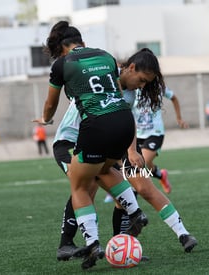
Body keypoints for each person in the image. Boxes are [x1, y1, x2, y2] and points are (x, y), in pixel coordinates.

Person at [53, 48, 197, 263]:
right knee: (87, 186)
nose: (142, 86)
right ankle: (71, 243)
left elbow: (125, 118)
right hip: (76, 141)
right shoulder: (105, 76)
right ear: (130, 68)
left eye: (146, 83)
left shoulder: (130, 92)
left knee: (143, 186)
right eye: (141, 80)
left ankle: (181, 233)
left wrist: (131, 150)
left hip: (115, 140)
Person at [33, 21, 148, 270]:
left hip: (85, 133)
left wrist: (46, 119)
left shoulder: (63, 64)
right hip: (123, 122)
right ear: (82, 43)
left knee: (81, 185)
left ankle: (88, 242)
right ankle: (135, 211)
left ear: (63, 47)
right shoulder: (106, 57)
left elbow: (50, 104)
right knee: (102, 173)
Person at [132, 86, 189, 194]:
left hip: (155, 133)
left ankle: (131, 202)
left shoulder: (158, 87)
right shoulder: (132, 88)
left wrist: (179, 118)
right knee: (146, 165)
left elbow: (174, 98)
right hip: (137, 134)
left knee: (140, 165)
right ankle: (161, 175)